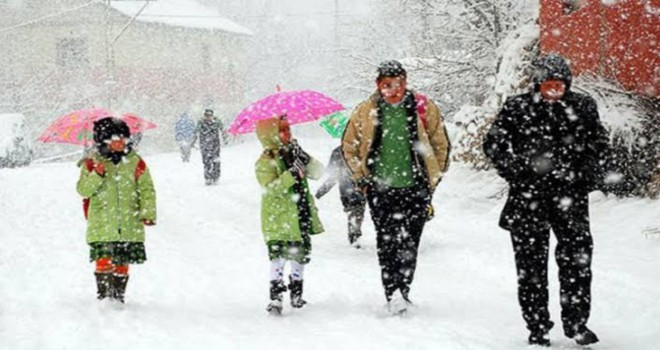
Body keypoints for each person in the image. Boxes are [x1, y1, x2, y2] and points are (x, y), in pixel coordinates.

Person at [483, 53, 610, 346]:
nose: (554, 91)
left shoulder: (583, 106)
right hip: (528, 200)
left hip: (571, 199)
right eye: (548, 85)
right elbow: (494, 144)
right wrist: (516, 172)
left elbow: (600, 146)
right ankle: (537, 326)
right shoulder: (517, 107)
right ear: (537, 84)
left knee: (577, 263)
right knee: (530, 269)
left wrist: (585, 176)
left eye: (559, 85)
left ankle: (577, 324)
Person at [341, 60, 451, 314]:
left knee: (411, 241)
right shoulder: (365, 111)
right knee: (387, 241)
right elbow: (349, 146)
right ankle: (393, 292)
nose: (393, 90)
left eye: (398, 84)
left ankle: (404, 288)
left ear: (406, 83)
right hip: (380, 189)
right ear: (378, 85)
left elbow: (440, 143)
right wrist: (362, 178)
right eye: (387, 85)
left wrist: (432, 178)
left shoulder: (423, 108)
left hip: (415, 187)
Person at [76, 117, 157, 304]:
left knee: (122, 260)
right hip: (102, 222)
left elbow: (146, 189)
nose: (121, 142)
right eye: (115, 139)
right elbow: (83, 189)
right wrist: (97, 174)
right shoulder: (92, 162)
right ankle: (104, 296)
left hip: (129, 222)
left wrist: (148, 213)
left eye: (124, 138)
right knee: (104, 258)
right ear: (103, 140)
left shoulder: (135, 161)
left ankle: (118, 295)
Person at [255, 116, 324, 315]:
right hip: (279, 217)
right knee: (278, 257)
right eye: (282, 130)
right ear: (270, 136)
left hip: (299, 212)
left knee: (299, 255)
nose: (288, 134)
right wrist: (291, 175)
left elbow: (318, 172)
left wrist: (304, 158)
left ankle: (297, 294)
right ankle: (275, 297)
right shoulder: (265, 162)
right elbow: (270, 188)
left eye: (288, 129)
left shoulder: (293, 153)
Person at [315, 146, 366, 248]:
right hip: (357, 188)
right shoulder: (362, 149)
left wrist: (322, 191)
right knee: (357, 211)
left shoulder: (338, 151)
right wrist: (321, 191)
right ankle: (354, 235)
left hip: (347, 190)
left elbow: (333, 176)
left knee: (354, 211)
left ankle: (354, 235)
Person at [192, 109, 223, 185]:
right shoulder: (201, 123)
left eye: (210, 115)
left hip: (215, 144)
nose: (208, 117)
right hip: (204, 144)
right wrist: (193, 142)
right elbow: (195, 132)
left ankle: (216, 177)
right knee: (206, 161)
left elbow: (223, 129)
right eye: (207, 115)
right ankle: (208, 177)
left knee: (216, 161)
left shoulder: (217, 122)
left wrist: (225, 138)